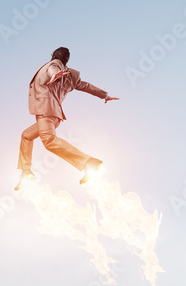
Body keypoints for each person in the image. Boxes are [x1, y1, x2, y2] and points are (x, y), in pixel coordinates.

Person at [15, 47, 118, 190]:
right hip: (54, 115)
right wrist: (105, 95)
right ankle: (26, 171)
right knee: (26, 136)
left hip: (46, 112)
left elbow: (53, 68)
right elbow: (86, 86)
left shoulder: (54, 65)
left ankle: (88, 162)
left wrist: (54, 75)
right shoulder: (71, 76)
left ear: (54, 55)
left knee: (49, 141)